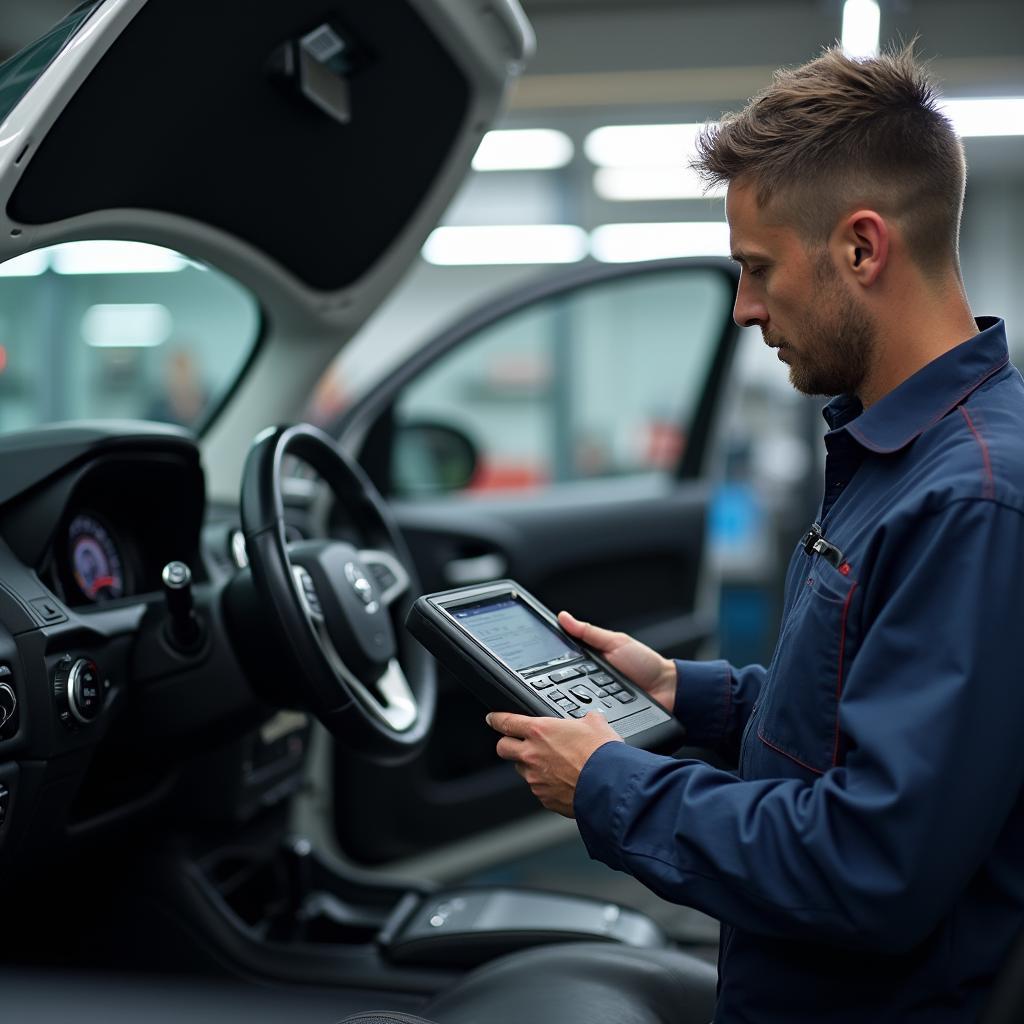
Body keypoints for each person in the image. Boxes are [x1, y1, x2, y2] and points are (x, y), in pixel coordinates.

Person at [487, 43, 1024, 1023]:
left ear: (861, 249)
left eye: (757, 269)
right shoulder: (903, 457)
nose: (742, 308)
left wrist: (611, 786)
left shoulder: (972, 501)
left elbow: (868, 864)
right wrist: (685, 692)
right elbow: (863, 716)